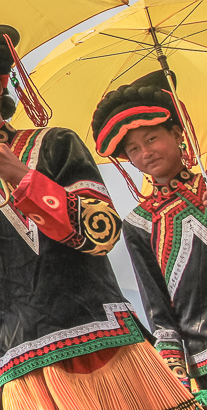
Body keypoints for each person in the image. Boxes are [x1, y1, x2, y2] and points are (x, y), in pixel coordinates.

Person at [0, 15, 195, 410]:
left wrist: (22, 177)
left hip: (101, 338)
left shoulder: (55, 145)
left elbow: (101, 232)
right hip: (22, 367)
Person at [92, 70, 207, 394]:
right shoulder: (140, 224)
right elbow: (160, 314)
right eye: (134, 149)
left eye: (152, 138)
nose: (146, 153)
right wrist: (178, 383)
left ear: (176, 133)